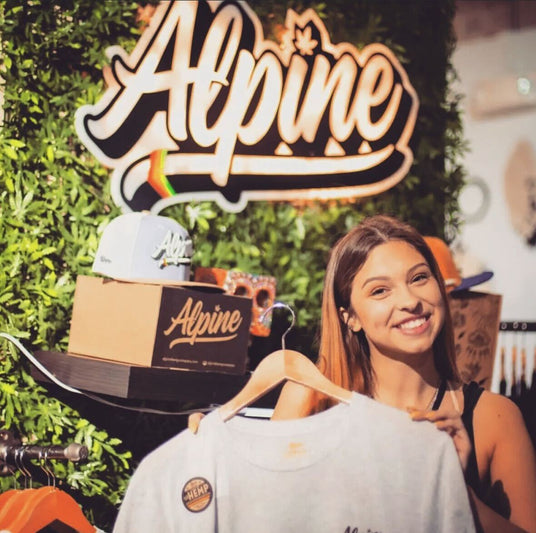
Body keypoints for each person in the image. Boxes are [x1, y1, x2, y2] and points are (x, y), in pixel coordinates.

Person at [189, 214, 536, 533]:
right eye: (380, 290)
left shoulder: (494, 417)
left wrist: (454, 492)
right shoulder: (313, 399)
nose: (410, 300)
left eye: (419, 278)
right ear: (349, 316)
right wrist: (208, 457)